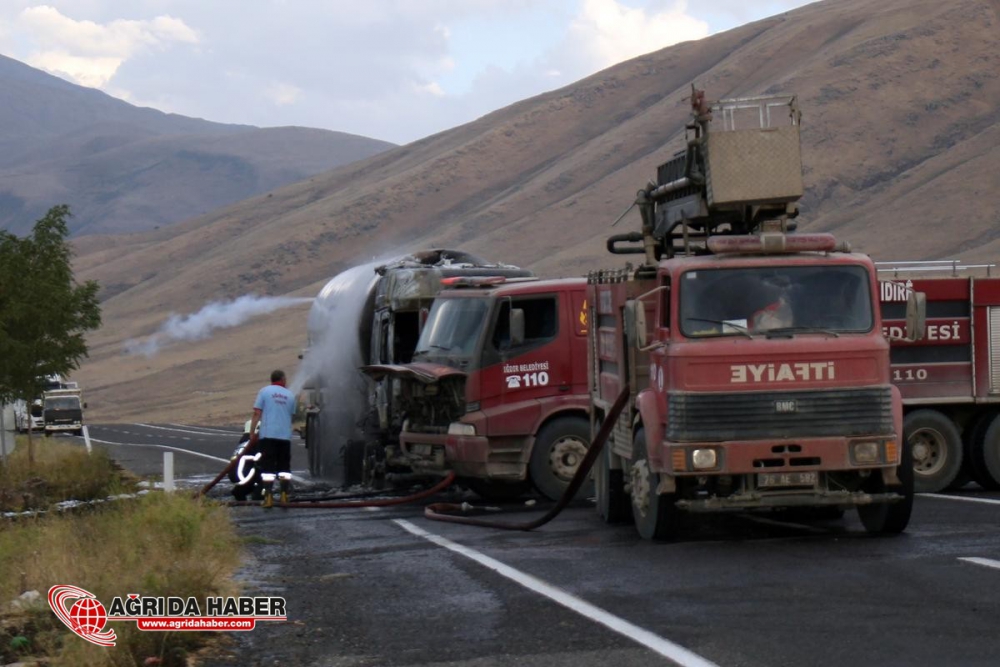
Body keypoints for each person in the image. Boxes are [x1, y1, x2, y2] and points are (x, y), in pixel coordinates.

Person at [249, 369, 297, 508]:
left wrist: (252, 432)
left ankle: (268, 497)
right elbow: (292, 415)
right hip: (285, 437)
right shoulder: (290, 395)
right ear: (282, 380)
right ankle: (284, 495)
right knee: (284, 466)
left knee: (268, 466)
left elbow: (257, 413)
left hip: (268, 435)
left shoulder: (264, 391)